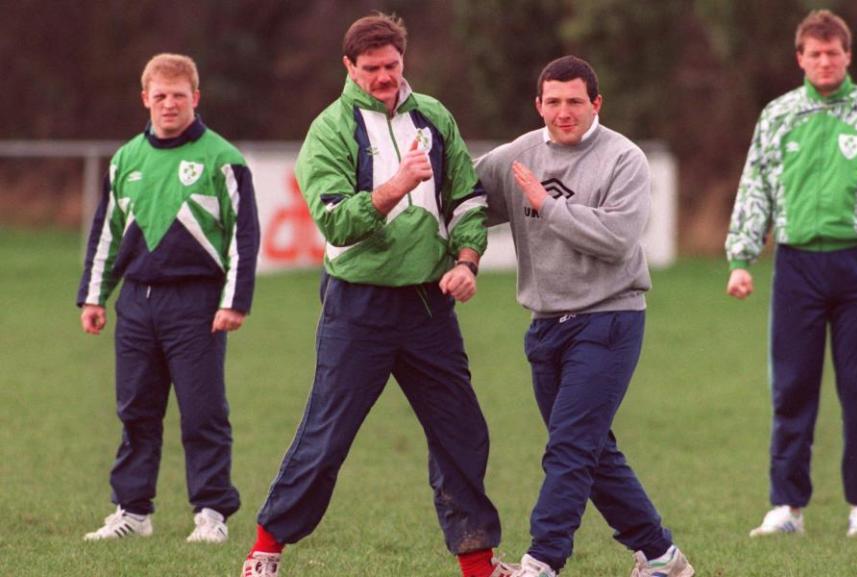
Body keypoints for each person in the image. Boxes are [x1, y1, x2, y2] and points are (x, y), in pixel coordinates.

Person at [241, 13, 510, 577]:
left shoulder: (434, 117)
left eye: (391, 65)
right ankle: (265, 550)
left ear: (403, 59)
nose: (384, 77)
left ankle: (480, 564)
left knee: (462, 432)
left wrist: (467, 261)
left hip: (429, 305)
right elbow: (336, 223)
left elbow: (466, 199)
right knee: (327, 436)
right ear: (349, 67)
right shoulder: (330, 130)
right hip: (358, 307)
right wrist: (396, 186)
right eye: (371, 69)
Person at [475, 55, 694, 577]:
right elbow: (463, 199)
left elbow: (618, 240)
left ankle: (542, 562)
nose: (563, 111)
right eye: (553, 101)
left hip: (609, 320)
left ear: (596, 103)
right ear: (538, 104)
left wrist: (546, 205)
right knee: (590, 449)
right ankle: (662, 557)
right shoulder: (518, 156)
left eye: (575, 101)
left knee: (570, 448)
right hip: (545, 324)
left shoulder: (624, 159)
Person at [725, 10, 857, 538]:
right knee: (791, 389)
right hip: (798, 267)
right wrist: (742, 258)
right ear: (801, 58)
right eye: (815, 53)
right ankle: (787, 507)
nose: (825, 61)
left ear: (847, 55)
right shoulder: (779, 115)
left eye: (833, 52)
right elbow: (755, 187)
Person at [78, 53, 260, 543]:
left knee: (202, 411)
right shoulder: (124, 160)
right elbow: (106, 236)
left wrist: (234, 301)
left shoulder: (224, 160)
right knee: (136, 410)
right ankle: (133, 512)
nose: (169, 104)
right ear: (146, 99)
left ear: (195, 98)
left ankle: (211, 514)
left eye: (179, 95)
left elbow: (245, 237)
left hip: (197, 305)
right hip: (136, 304)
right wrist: (94, 297)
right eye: (160, 95)